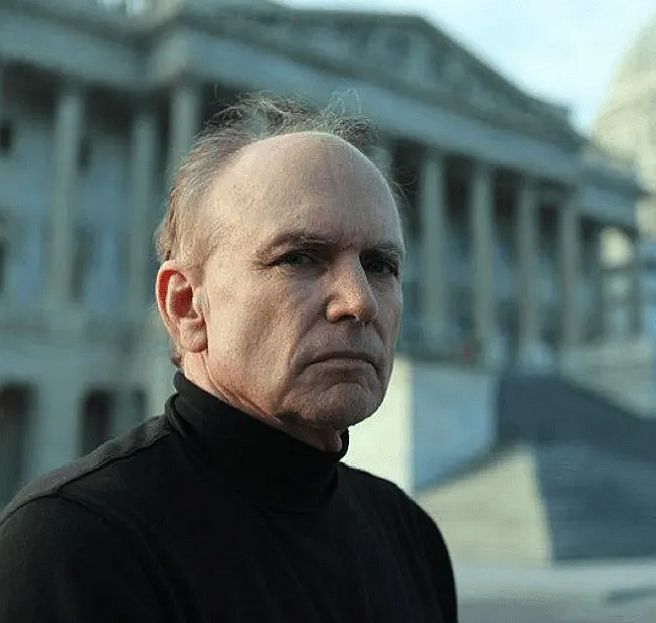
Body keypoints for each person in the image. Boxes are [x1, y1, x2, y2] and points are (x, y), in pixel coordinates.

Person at [0, 96, 457, 622]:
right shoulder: (74, 545)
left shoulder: (409, 535)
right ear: (186, 306)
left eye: (379, 265)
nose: (359, 302)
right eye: (300, 258)